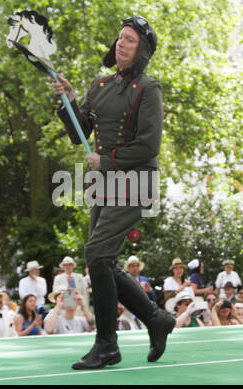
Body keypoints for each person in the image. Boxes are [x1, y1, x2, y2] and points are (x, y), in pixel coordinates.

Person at [51, 15, 175, 369]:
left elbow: (149, 146)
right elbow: (79, 133)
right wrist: (70, 100)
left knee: (95, 252)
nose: (121, 43)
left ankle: (107, 345)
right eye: (120, 38)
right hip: (105, 183)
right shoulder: (99, 85)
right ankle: (155, 319)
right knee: (100, 259)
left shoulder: (149, 89)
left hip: (135, 182)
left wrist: (105, 160)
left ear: (142, 51)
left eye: (130, 40)